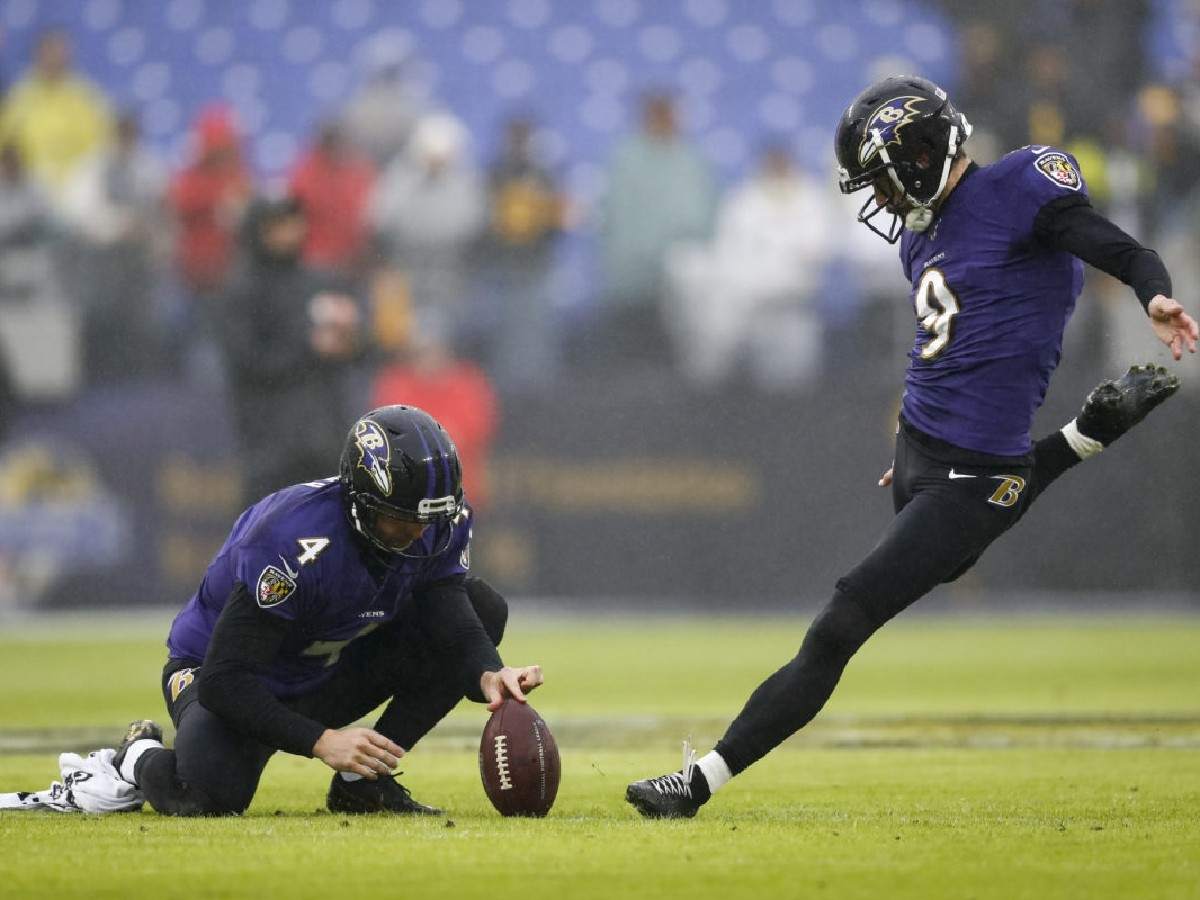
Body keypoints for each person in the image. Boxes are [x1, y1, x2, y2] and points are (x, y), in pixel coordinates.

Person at [626, 75, 1198, 818]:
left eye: (884, 180)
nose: (883, 200)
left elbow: (1109, 243)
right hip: (923, 449)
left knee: (840, 622)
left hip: (974, 477)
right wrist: (910, 440)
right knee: (963, 526)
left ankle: (699, 781)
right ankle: (1086, 434)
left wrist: (1152, 290)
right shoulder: (923, 235)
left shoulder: (1021, 187)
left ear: (922, 155)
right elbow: (944, 352)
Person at [109, 405, 543, 816]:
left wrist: (488, 672)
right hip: (224, 673)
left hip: (320, 667)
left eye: (427, 523)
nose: (416, 535)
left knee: (483, 607)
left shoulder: (435, 522)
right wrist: (321, 741)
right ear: (361, 504)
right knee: (209, 796)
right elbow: (226, 681)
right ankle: (135, 755)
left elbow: (445, 605)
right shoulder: (292, 540)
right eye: (399, 522)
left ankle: (363, 780)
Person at [218, 196, 361, 507]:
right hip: (269, 441)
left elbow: (359, 350)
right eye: (278, 224)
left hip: (324, 437)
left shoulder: (321, 281)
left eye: (294, 221)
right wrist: (308, 348)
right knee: (268, 537)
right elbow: (246, 361)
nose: (289, 232)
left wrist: (350, 338)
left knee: (331, 537)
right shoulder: (242, 290)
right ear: (258, 230)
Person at [0, 28, 112, 204]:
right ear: (38, 55)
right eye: (50, 52)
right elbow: (7, 144)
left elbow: (102, 145)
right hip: (32, 181)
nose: (55, 58)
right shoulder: (19, 98)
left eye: (60, 52)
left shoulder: (86, 97)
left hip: (77, 181)